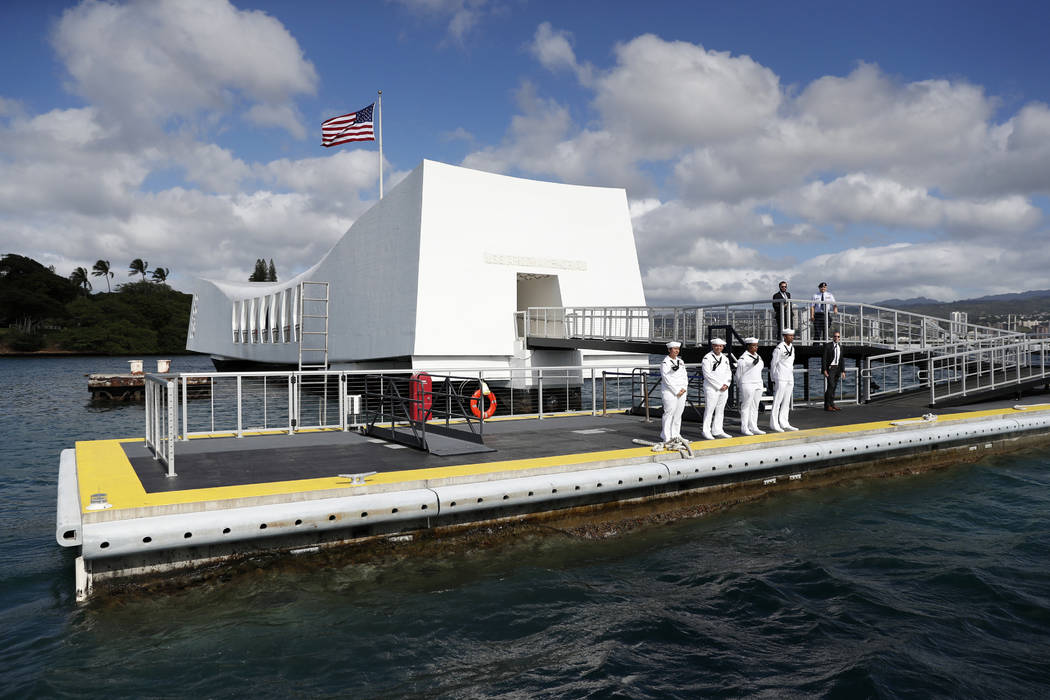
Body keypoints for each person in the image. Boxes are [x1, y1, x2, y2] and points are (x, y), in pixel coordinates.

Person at [701, 338, 733, 439]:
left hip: (724, 388)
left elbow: (729, 372)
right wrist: (719, 386)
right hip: (712, 388)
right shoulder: (707, 358)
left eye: (720, 346)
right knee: (710, 409)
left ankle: (717, 429)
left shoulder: (725, 358)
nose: (718, 348)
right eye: (716, 346)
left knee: (720, 410)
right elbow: (707, 374)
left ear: (723, 347)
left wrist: (727, 384)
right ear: (713, 346)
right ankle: (706, 430)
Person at [660, 340, 689, 445]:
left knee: (678, 414)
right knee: (669, 413)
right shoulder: (665, 363)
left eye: (677, 349)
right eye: (674, 349)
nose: (676, 351)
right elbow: (666, 379)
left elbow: (684, 376)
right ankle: (666, 436)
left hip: (681, 391)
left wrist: (684, 388)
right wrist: (676, 391)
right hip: (670, 392)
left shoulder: (680, 362)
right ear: (669, 350)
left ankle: (676, 435)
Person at [769, 328, 799, 432]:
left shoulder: (792, 347)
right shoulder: (779, 348)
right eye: (790, 335)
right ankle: (774, 423)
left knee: (786, 401)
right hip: (780, 376)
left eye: (792, 335)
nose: (792, 337)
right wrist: (773, 377)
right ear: (784, 336)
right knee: (778, 400)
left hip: (789, 376)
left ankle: (784, 422)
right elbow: (773, 363)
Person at [735, 336, 765, 436]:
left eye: (756, 346)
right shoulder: (743, 359)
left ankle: (753, 426)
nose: (755, 348)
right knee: (746, 406)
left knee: (755, 406)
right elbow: (738, 374)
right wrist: (740, 385)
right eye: (753, 346)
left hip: (757, 383)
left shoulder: (759, 357)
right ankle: (744, 427)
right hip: (747, 383)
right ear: (748, 346)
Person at [822, 331, 846, 411]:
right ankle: (827, 405)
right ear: (833, 337)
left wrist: (843, 371)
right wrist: (824, 370)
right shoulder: (828, 346)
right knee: (831, 386)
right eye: (835, 336)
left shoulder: (840, 347)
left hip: (837, 369)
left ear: (840, 338)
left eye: (838, 336)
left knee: (834, 387)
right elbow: (824, 358)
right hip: (830, 369)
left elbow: (841, 360)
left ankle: (832, 404)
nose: (836, 338)